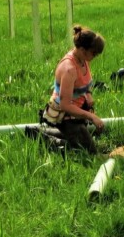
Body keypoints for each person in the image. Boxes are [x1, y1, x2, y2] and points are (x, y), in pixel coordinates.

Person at [41, 25, 105, 153]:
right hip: (64, 116)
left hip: (77, 113)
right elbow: (65, 105)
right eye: (94, 53)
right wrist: (91, 117)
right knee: (89, 153)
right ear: (82, 49)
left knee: (87, 139)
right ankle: (44, 137)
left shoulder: (83, 59)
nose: (95, 56)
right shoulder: (69, 69)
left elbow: (83, 83)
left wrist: (88, 94)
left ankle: (58, 136)